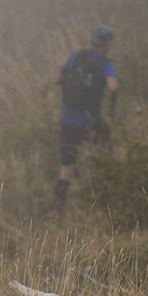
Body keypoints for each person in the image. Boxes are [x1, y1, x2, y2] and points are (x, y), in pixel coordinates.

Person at [53, 25, 119, 213]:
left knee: (67, 163)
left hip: (67, 119)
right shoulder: (105, 63)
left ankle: (58, 209)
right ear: (106, 44)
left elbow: (57, 78)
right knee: (109, 154)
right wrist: (112, 108)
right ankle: (112, 197)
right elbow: (113, 87)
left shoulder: (76, 56)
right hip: (90, 120)